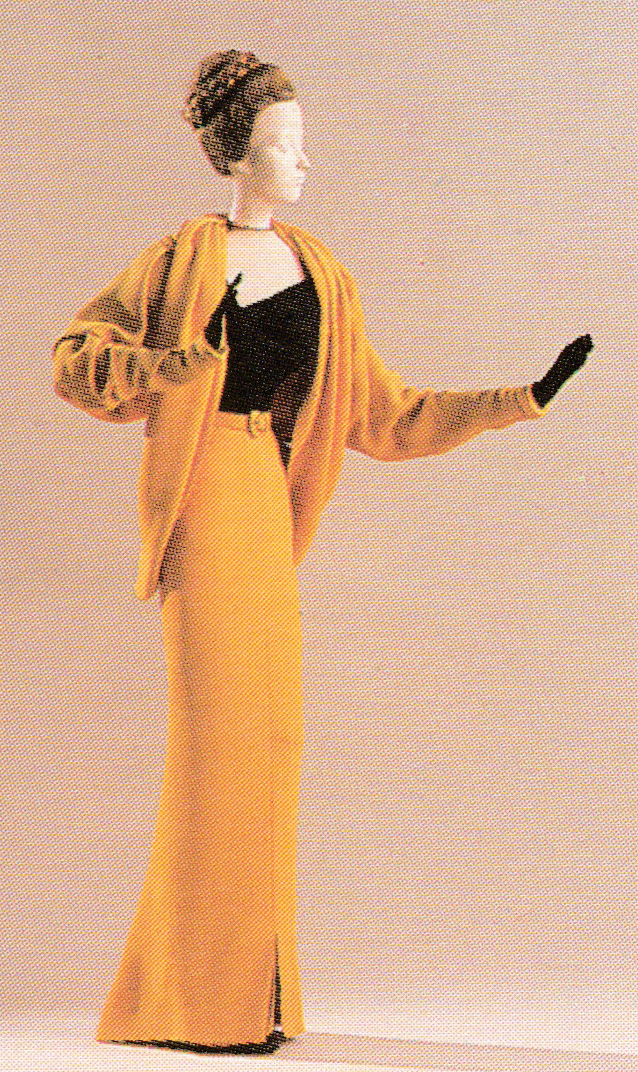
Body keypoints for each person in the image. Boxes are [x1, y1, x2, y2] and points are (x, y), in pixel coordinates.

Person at [52, 49, 592, 1055]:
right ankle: (187, 1005)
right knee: (216, 750)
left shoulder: (322, 274)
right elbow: (78, 360)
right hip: (203, 502)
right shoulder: (174, 262)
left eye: (301, 143)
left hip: (264, 504)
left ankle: (248, 998)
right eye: (284, 145)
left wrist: (519, 399)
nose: (303, 161)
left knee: (272, 746)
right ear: (235, 157)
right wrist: (175, 362)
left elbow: (388, 415)